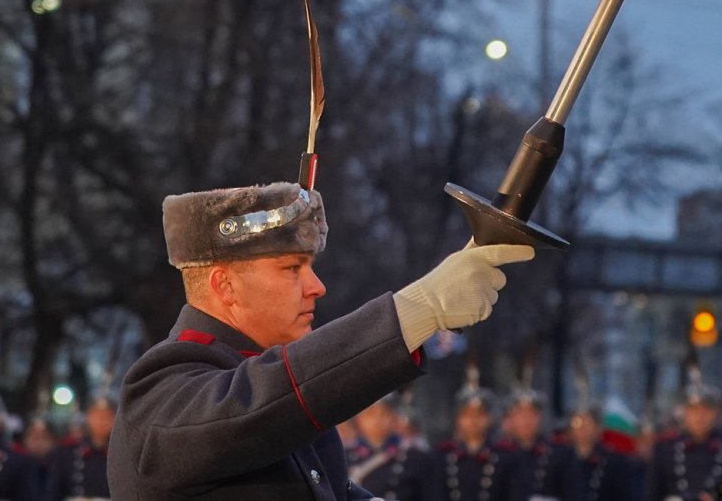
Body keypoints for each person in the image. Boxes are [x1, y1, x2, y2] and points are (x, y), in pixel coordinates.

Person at [106, 181, 534, 499]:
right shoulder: (161, 391)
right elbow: (262, 399)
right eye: (291, 268)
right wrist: (417, 309)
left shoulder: (275, 399)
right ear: (225, 286)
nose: (316, 286)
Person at [434, 383, 526, 501]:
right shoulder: (442, 457)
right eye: (467, 415)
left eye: (479, 415)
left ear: (489, 419)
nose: (473, 421)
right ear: (458, 420)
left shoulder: (506, 458)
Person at [645, 382, 722, 501]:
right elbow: (653, 492)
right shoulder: (665, 449)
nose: (700, 416)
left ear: (716, 414)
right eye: (694, 410)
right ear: (685, 413)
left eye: (706, 410)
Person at [345, 395, 436, 500]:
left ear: (394, 417)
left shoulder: (416, 457)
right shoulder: (344, 457)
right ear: (358, 419)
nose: (378, 420)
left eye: (385, 413)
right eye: (370, 414)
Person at [501, 386, 579, 501]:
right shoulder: (500, 454)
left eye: (531, 415)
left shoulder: (560, 454)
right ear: (511, 419)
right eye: (520, 415)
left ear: (540, 417)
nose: (526, 421)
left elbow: (574, 494)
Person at [48, 396, 114, 501]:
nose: (101, 421)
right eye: (97, 416)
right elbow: (55, 491)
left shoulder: (120, 455)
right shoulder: (67, 452)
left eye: (106, 417)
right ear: (88, 417)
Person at [568, 405, 633, 501]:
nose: (582, 429)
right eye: (577, 422)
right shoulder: (562, 458)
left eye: (587, 423)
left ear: (597, 428)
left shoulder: (613, 462)